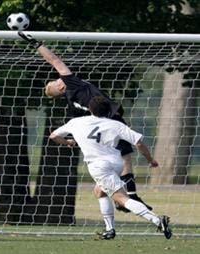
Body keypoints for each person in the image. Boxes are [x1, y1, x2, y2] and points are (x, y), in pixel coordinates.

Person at [18, 31, 151, 212]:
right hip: (110, 120)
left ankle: (126, 198)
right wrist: (38, 45)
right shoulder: (71, 84)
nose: (59, 77)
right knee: (126, 157)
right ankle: (129, 198)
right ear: (60, 86)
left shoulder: (72, 98)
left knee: (121, 161)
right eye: (56, 80)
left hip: (101, 124)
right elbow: (54, 61)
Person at [49, 96, 172, 240]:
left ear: (89, 109)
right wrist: (150, 160)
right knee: (99, 191)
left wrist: (68, 142)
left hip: (99, 166)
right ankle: (110, 230)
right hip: (116, 162)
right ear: (108, 111)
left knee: (121, 198)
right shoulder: (115, 124)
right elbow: (138, 142)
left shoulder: (76, 122)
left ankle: (157, 220)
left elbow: (53, 136)